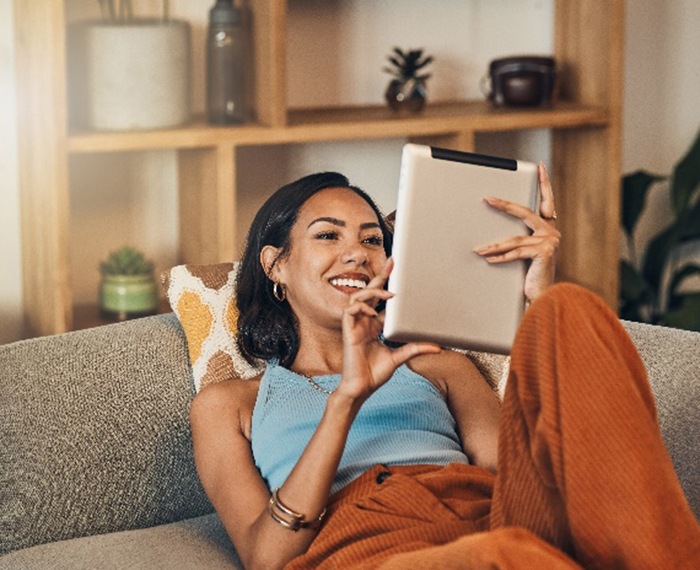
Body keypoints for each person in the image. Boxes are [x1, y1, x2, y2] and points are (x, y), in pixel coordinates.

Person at [190, 169, 699, 570]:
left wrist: (536, 301)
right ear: (275, 265)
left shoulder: (437, 364)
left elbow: (520, 476)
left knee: (569, 306)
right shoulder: (231, 404)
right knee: (503, 559)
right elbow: (266, 558)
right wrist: (347, 397)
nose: (356, 254)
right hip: (369, 545)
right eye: (328, 235)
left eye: (372, 241)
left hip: (485, 514)